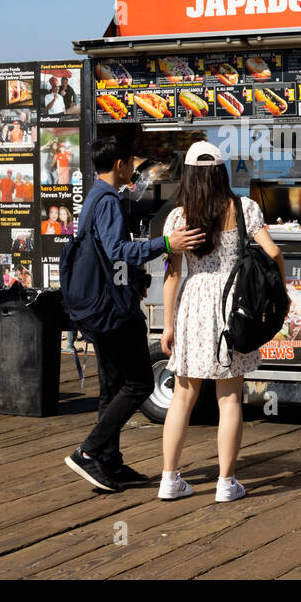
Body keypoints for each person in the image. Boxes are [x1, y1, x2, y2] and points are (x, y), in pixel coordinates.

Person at [65, 132, 205, 493]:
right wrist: (166, 244)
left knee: (112, 387)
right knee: (140, 383)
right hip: (115, 311)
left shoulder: (94, 196)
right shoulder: (109, 200)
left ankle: (108, 463)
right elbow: (116, 249)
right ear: (119, 164)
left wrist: (137, 276)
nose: (134, 167)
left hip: (99, 307)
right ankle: (89, 450)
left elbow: (103, 252)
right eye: (131, 161)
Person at [158, 141, 285, 502]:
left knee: (183, 396)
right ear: (221, 172)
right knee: (229, 398)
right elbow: (273, 252)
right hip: (233, 303)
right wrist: (279, 292)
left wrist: (167, 324)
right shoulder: (244, 208)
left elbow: (171, 274)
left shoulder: (178, 218)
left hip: (193, 303)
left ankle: (169, 479)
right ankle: (226, 484)